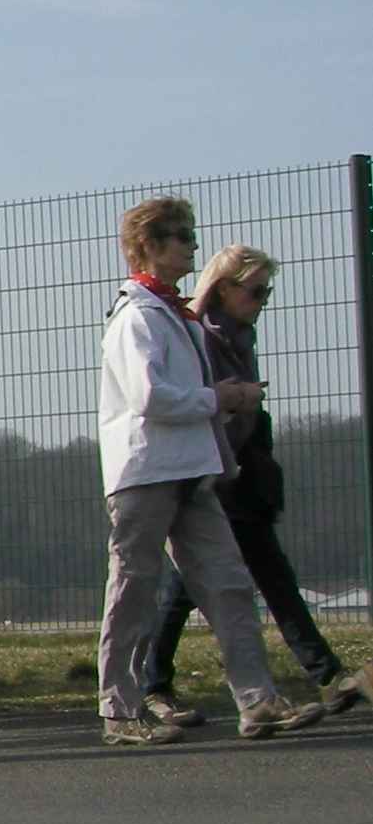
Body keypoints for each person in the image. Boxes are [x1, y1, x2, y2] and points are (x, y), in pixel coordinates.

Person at [91, 201, 327, 745]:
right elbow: (150, 397)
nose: (191, 246)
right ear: (148, 245)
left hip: (193, 471)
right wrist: (219, 397)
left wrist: (221, 431)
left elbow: (187, 398)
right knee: (132, 591)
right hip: (145, 472)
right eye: (179, 236)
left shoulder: (179, 316)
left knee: (228, 584)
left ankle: (257, 701)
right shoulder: (136, 317)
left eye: (191, 235)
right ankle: (119, 710)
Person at [141, 244, 365, 721]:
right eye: (256, 291)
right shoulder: (203, 336)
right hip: (215, 472)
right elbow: (199, 403)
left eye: (267, 292)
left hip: (241, 468)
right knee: (202, 585)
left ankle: (326, 675)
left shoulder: (240, 336)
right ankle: (155, 684)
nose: (262, 301)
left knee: (251, 575)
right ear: (224, 289)